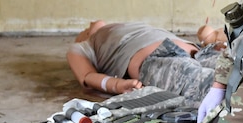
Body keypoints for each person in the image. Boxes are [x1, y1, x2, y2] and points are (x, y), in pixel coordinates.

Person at [67, 21, 225, 105]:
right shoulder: (83, 46)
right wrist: (117, 85)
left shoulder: (126, 26)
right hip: (159, 59)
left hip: (195, 51)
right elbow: (87, 76)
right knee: (220, 88)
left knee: (239, 75)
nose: (92, 24)